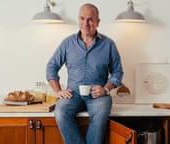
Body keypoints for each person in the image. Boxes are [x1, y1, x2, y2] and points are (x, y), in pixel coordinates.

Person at [46, 3, 124, 144]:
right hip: (72, 94)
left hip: (98, 95)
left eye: (90, 19)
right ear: (78, 20)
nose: (85, 23)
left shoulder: (108, 45)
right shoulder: (67, 43)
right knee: (60, 112)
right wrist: (58, 91)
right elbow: (51, 66)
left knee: (100, 114)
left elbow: (118, 72)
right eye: (82, 18)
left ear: (97, 22)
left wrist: (105, 89)